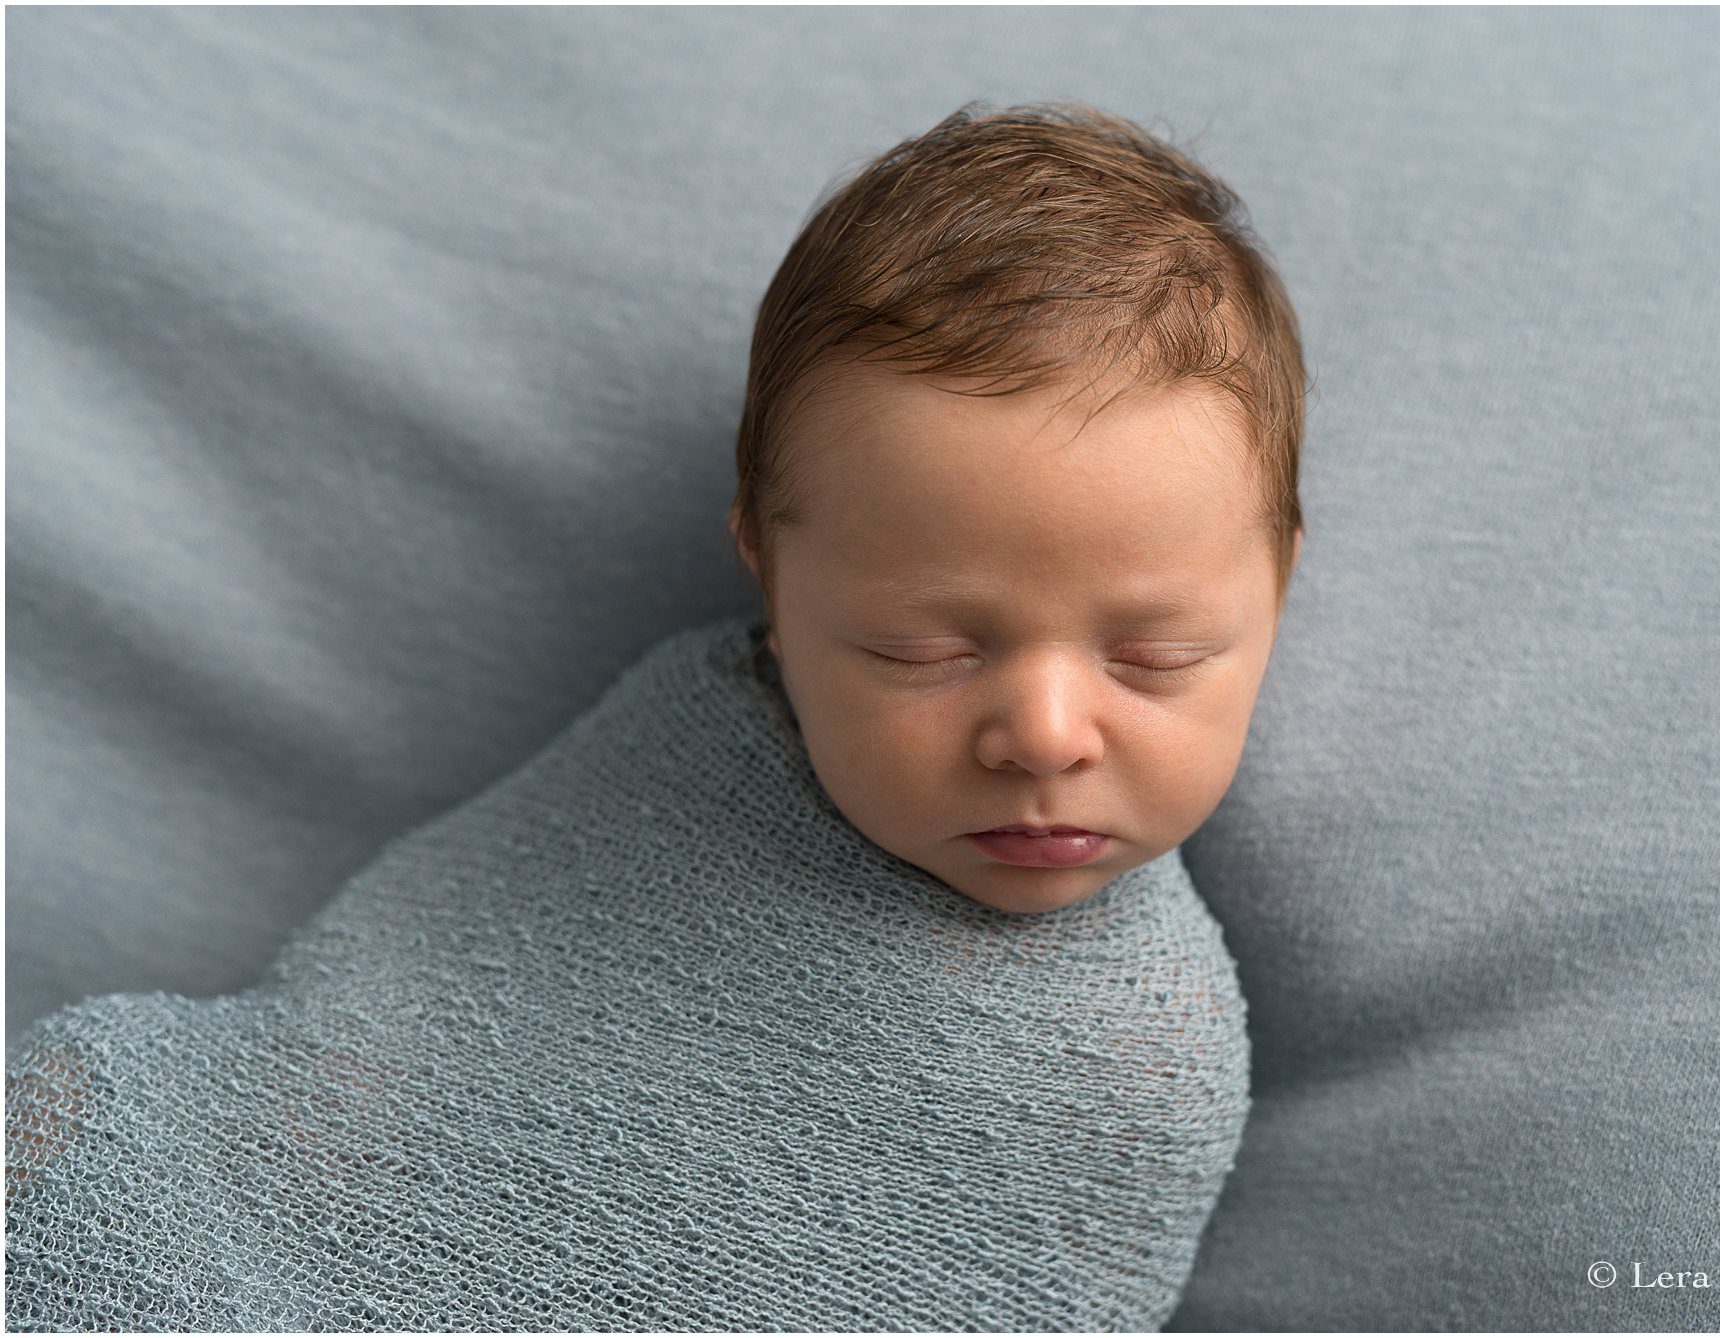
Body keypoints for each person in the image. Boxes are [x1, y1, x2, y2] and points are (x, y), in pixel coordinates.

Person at [6, 99, 1305, 1331]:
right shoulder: (690, 751)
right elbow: (399, 1013)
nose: (1046, 734)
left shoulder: (1141, 1071)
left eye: (1155, 656)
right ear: (773, 583)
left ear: (1277, 585)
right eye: (919, 650)